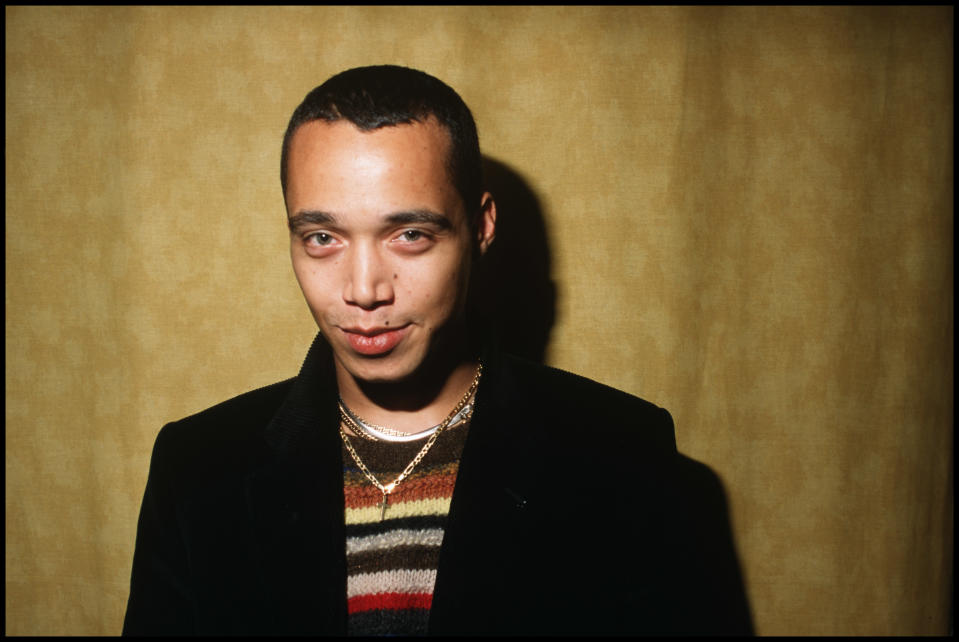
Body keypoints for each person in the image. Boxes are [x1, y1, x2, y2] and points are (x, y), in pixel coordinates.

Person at [123, 64, 752, 636]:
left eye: (410, 234)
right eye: (321, 237)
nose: (363, 290)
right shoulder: (198, 472)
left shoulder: (626, 458)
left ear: (481, 227)